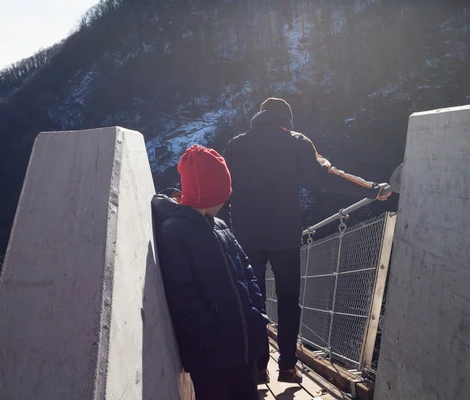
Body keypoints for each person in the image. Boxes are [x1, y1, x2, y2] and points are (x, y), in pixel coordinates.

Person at [220, 97, 391, 384]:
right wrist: (372, 190)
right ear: (286, 119)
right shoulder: (296, 142)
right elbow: (327, 176)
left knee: (253, 301)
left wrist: (223, 231)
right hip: (285, 236)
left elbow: (223, 190)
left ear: (260, 117)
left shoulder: (236, 145)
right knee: (288, 301)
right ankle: (287, 366)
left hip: (246, 237)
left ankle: (259, 367)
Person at [152, 145, 270, 400]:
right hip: (210, 354)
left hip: (243, 344)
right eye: (222, 193)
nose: (226, 198)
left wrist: (256, 315)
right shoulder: (175, 231)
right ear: (207, 194)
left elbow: (247, 272)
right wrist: (209, 333)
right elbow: (182, 296)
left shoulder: (220, 226)